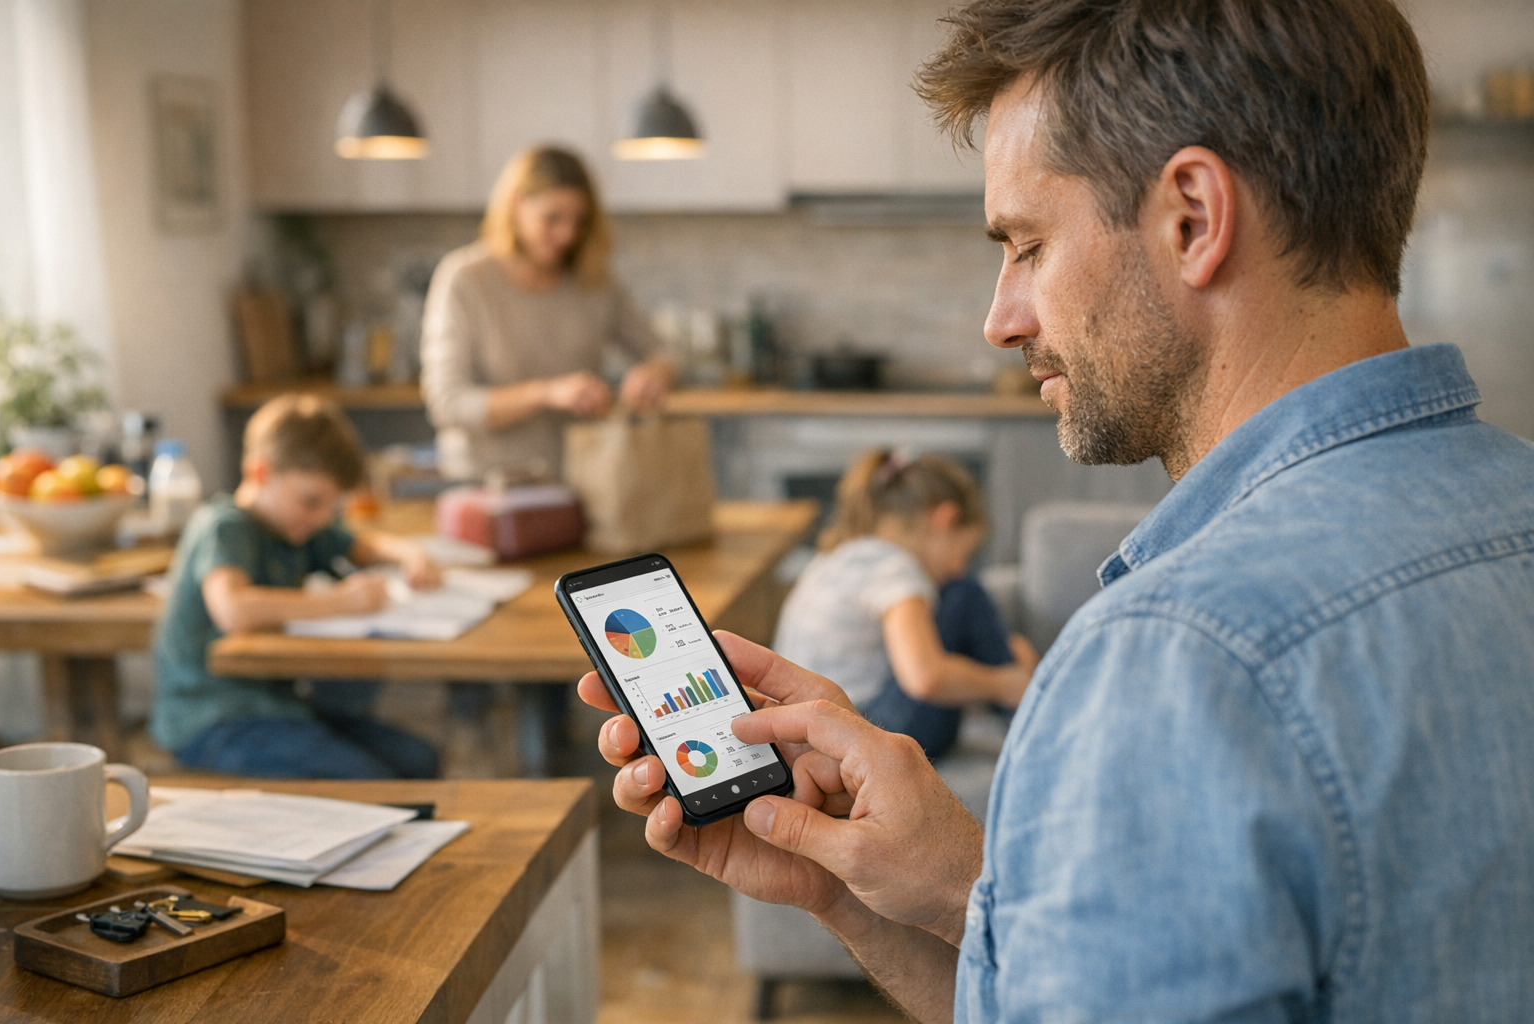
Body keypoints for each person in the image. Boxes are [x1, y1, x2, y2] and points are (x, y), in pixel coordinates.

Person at [578, 1, 1534, 1021]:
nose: (1000, 319)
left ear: (1193, 220)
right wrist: (885, 893)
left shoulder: (1174, 661)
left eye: (1025, 244)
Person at [151, 395, 442, 779]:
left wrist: (408, 554)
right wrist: (339, 602)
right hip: (213, 717)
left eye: (331, 507)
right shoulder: (224, 525)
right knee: (369, 779)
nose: (322, 518)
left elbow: (360, 545)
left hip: (278, 707)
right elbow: (232, 608)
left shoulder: (297, 525)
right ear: (261, 473)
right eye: (312, 501)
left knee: (420, 760)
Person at [420, 145, 675, 482]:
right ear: (516, 204)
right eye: (552, 218)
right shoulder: (465, 280)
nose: (567, 235)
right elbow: (448, 404)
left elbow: (664, 352)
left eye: (579, 221)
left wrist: (654, 373)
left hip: (581, 484)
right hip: (484, 487)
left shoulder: (592, 282)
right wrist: (548, 393)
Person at [773, 449, 1036, 758]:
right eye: (964, 553)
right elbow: (925, 678)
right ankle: (1029, 709)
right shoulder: (895, 567)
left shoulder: (836, 557)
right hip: (860, 738)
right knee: (964, 593)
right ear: (944, 519)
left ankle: (1025, 706)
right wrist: (1003, 683)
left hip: (810, 736)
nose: (958, 567)